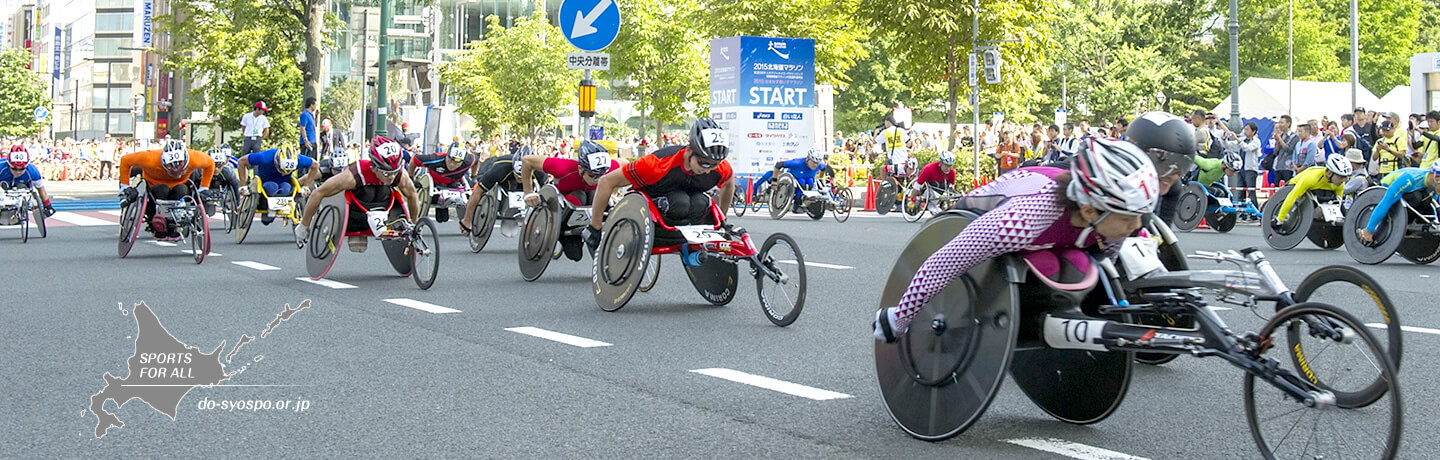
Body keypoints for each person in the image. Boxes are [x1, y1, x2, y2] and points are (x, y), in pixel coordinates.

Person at [873, 138, 1160, 342]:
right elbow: (943, 262)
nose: (1136, 226)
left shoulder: (1108, 219)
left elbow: (1104, 267)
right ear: (1088, 210)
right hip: (983, 217)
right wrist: (898, 319)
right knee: (1047, 263)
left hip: (1052, 238)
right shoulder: (1024, 219)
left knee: (1077, 263)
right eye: (1128, 218)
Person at [585, 118, 736, 253]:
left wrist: (722, 219)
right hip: (655, 202)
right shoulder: (656, 163)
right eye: (703, 162)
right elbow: (606, 181)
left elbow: (728, 186)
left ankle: (687, 238)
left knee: (700, 203)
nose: (708, 170)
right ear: (689, 150)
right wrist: (595, 227)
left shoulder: (721, 167)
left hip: (689, 206)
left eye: (714, 164)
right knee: (680, 202)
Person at [295, 137, 420, 253]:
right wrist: (304, 226)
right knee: (368, 193)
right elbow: (318, 193)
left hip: (383, 207)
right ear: (374, 168)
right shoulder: (353, 175)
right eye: (386, 174)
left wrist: (414, 224)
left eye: (394, 172)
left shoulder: (400, 175)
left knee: (386, 190)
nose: (392, 177)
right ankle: (359, 228)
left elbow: (412, 195)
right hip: (356, 211)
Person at [517, 140, 620, 260]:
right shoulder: (563, 167)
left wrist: (613, 193)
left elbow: (622, 165)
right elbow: (527, 160)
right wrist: (528, 192)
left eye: (602, 175)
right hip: (568, 202)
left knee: (598, 195)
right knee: (575, 255)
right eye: (593, 175)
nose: (598, 179)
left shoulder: (610, 167)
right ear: (581, 168)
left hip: (593, 200)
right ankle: (564, 232)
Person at [118, 140, 216, 241]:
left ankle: (173, 224)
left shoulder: (194, 158)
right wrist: (125, 186)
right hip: (155, 185)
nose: (177, 174)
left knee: (181, 190)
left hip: (180, 185)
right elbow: (125, 160)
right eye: (172, 172)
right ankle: (155, 221)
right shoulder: (150, 158)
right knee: (162, 189)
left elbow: (210, 163)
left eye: (181, 171)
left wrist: (204, 187)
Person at [1118, 112, 1197, 223]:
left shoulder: (1173, 186)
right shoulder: (1116, 181)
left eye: (1181, 165)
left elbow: (1164, 231)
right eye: (1165, 163)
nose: (1174, 175)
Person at [458, 145, 544, 234]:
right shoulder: (500, 168)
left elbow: (550, 193)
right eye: (518, 176)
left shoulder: (540, 170)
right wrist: (467, 220)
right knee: (482, 187)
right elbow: (477, 192)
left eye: (523, 176)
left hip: (514, 183)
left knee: (509, 232)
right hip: (492, 167)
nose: (520, 179)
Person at [1357, 162, 1440, 243]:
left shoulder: (1432, 186)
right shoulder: (1409, 180)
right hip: (1388, 188)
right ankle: (1375, 227)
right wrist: (1369, 229)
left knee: (1426, 199)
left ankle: (1412, 226)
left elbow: (1434, 207)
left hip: (1410, 193)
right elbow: (1386, 202)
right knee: (1416, 197)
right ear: (1437, 177)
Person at [237, 144, 320, 225]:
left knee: (286, 188)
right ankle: (267, 207)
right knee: (272, 187)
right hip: (265, 182)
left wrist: (306, 187)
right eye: (282, 170)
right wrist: (243, 186)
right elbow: (241, 162)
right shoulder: (265, 157)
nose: (283, 173)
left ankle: (278, 208)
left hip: (284, 183)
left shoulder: (299, 159)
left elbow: (315, 165)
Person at [1272, 155, 1352, 226]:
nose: (1343, 181)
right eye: (1340, 177)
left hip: (1319, 190)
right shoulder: (1311, 178)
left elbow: (1338, 203)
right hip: (1296, 186)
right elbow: (1292, 196)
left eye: (1345, 177)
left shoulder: (1339, 183)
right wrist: (1280, 219)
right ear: (1329, 173)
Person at [410, 143, 478, 223]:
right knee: (437, 195)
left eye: (456, 162)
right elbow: (414, 159)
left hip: (454, 183)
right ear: (447, 155)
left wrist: (473, 177)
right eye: (450, 160)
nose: (452, 164)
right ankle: (439, 201)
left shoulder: (468, 160)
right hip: (435, 184)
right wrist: (411, 178)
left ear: (462, 161)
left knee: (463, 191)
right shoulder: (435, 159)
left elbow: (476, 162)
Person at [752, 146, 832, 211]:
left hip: (808, 179)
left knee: (810, 181)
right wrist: (774, 181)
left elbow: (823, 169)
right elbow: (778, 165)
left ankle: (805, 202)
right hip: (794, 179)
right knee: (801, 181)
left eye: (817, 163)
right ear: (808, 158)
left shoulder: (820, 165)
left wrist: (821, 179)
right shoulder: (797, 163)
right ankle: (796, 204)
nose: (815, 165)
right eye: (813, 162)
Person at [0, 146, 56, 217]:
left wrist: (48, 206)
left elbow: (41, 188)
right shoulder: (1, 167)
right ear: (9, 164)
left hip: (22, 186)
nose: (18, 172)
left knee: (22, 186)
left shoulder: (32, 171)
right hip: (3, 184)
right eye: (14, 169)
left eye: (21, 169)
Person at [875, 116, 911, 180]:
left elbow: (875, 141)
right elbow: (909, 143)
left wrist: (876, 132)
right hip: (904, 162)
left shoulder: (885, 132)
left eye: (885, 122)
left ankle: (885, 184)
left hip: (893, 164)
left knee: (882, 169)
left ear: (888, 122)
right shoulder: (900, 130)